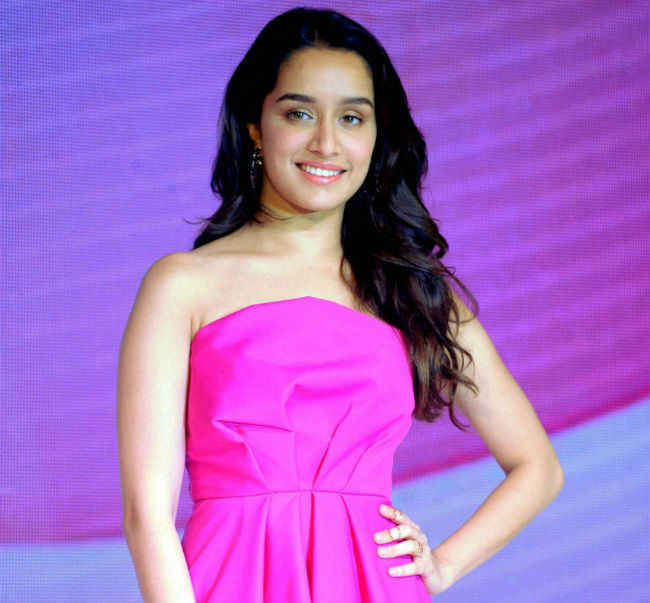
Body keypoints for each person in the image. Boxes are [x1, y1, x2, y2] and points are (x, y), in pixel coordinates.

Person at [116, 7, 564, 602]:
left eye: (352, 117)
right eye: (299, 113)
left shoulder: (411, 290)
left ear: (377, 138)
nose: (326, 143)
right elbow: (147, 515)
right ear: (255, 126)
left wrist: (442, 566)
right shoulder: (181, 285)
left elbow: (538, 467)